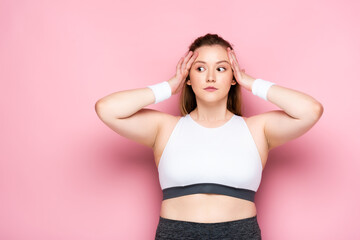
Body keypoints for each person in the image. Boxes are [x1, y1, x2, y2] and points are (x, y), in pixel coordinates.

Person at [95, 33, 324, 240]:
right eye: (200, 68)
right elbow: (107, 108)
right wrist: (168, 86)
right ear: (188, 77)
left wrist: (250, 82)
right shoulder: (165, 128)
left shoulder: (257, 129)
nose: (211, 77)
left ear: (233, 76)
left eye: (222, 68)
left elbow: (310, 110)